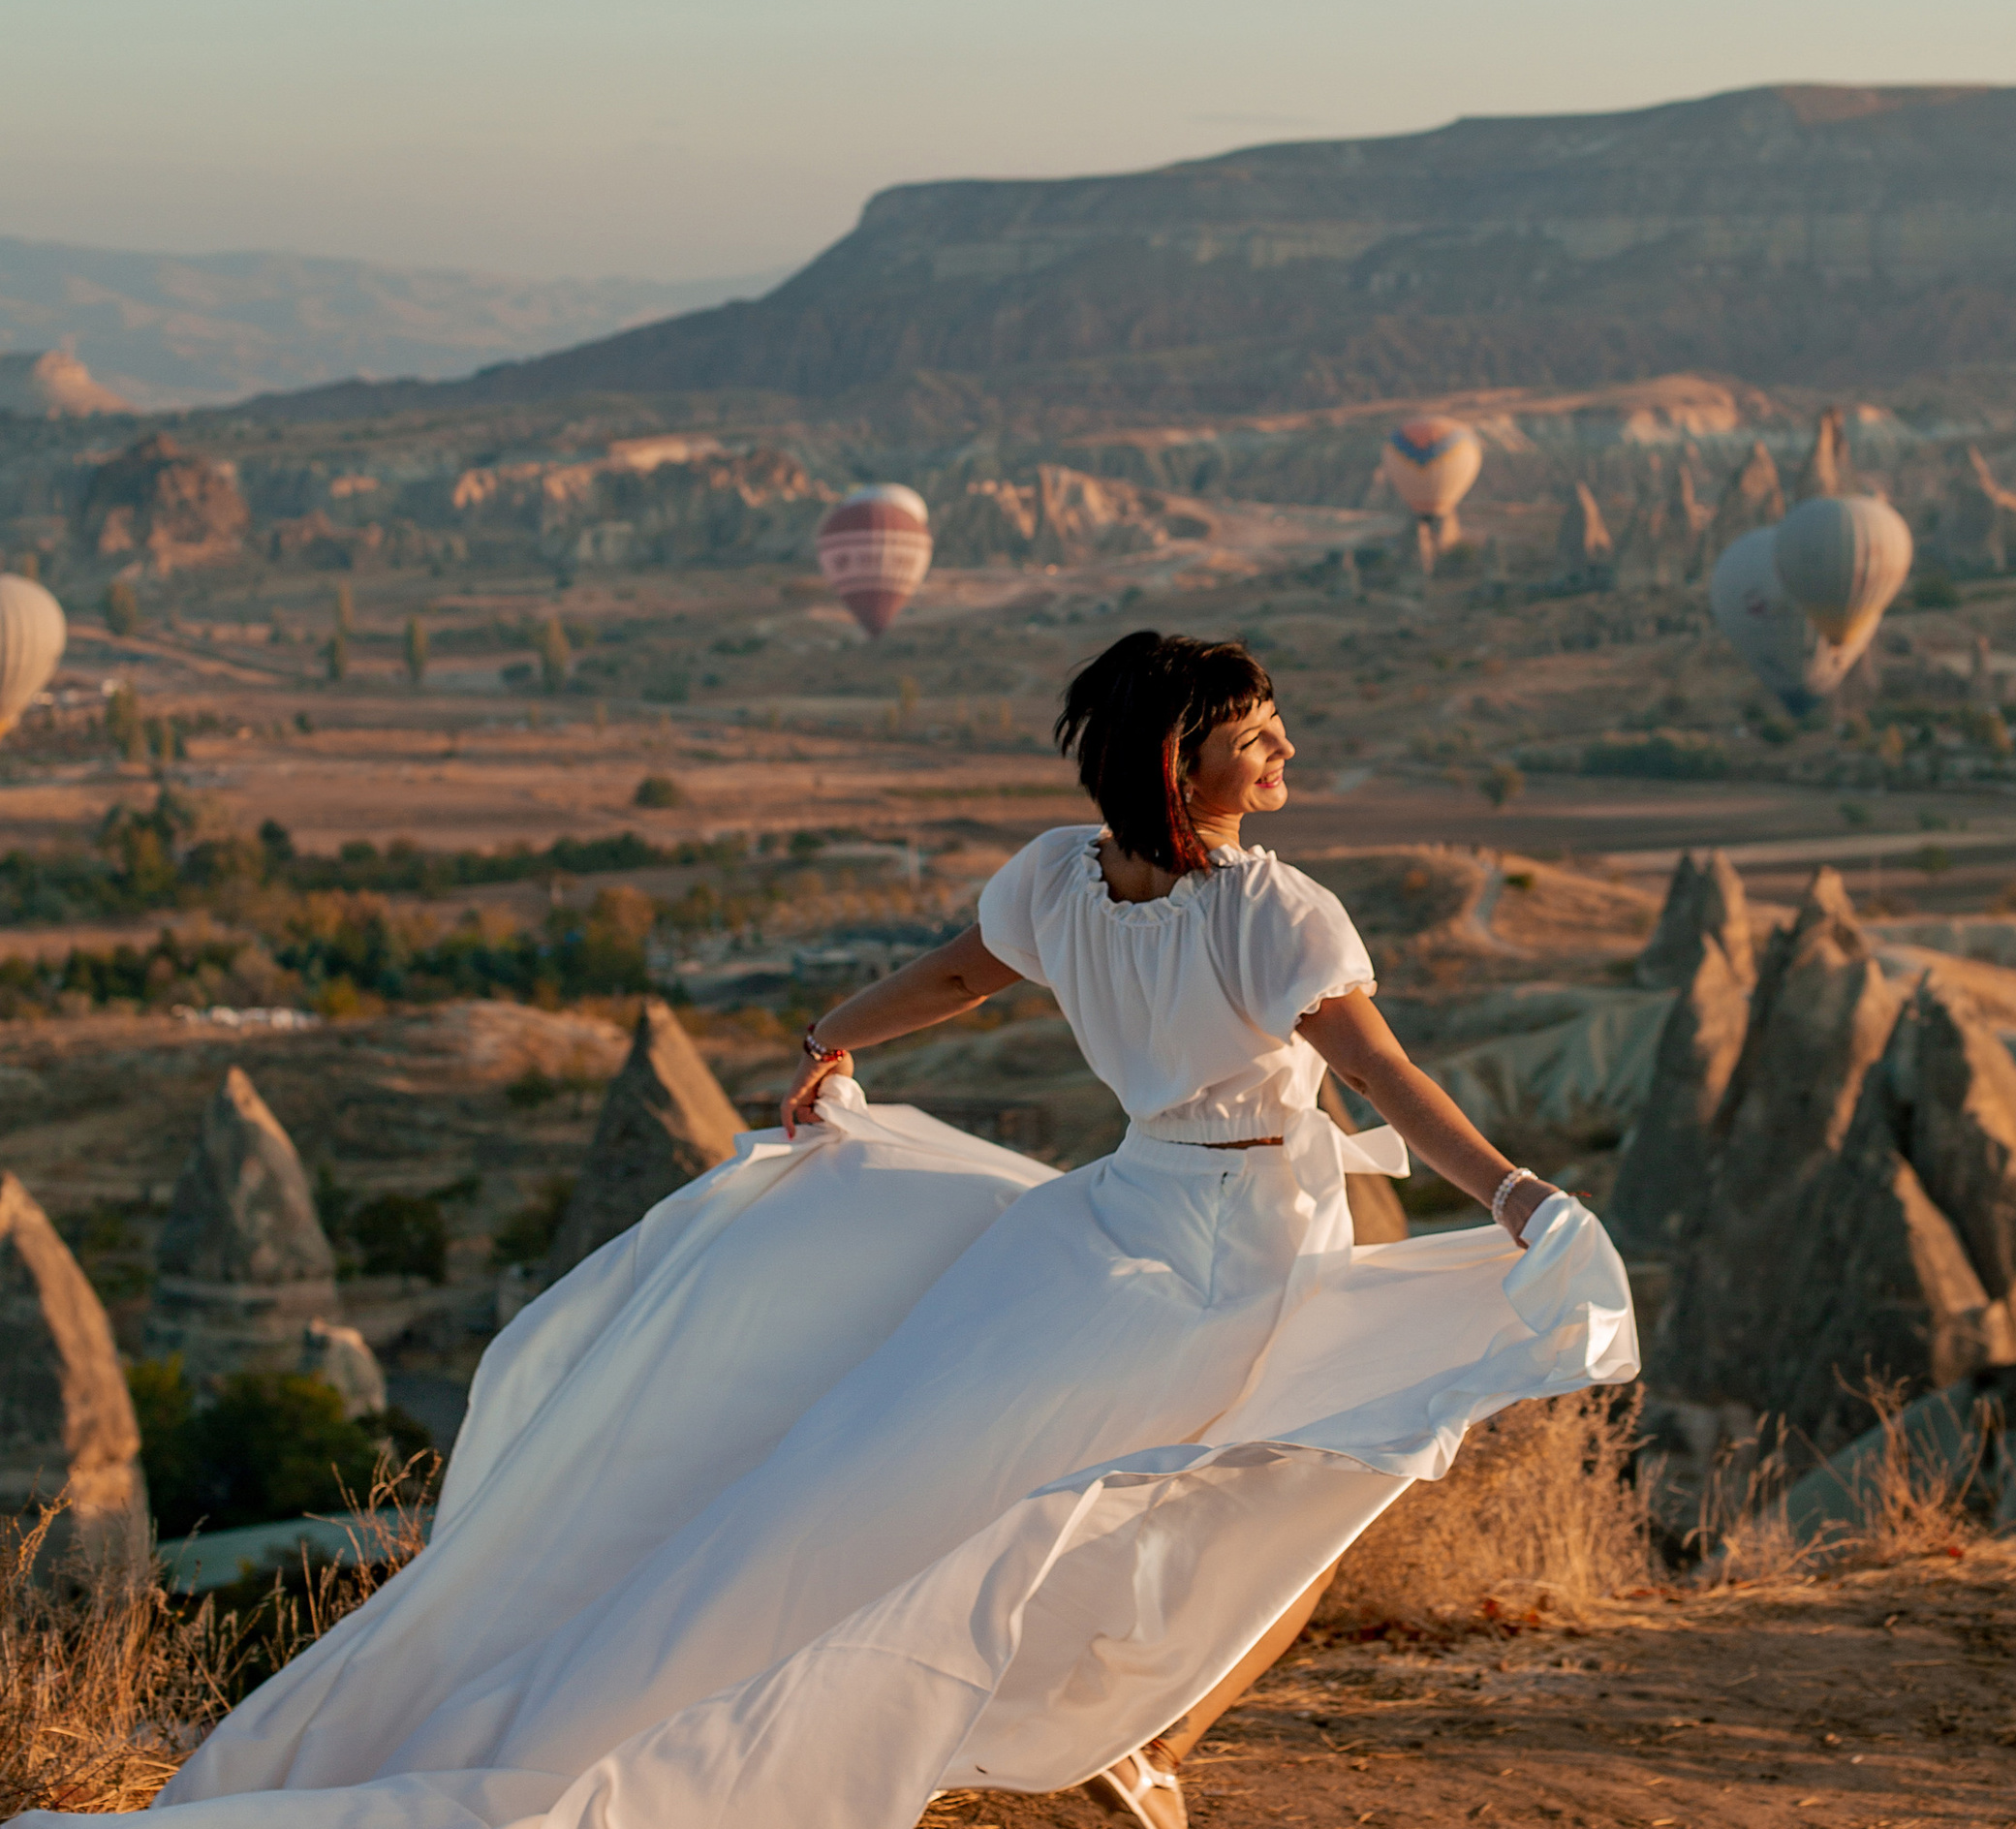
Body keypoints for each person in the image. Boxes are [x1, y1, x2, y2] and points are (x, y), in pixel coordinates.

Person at [110, 633, 1635, 1829]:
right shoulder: (1278, 913)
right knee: (1318, 1480)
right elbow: (1387, 1079)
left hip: (1123, 1203)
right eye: (1259, 733)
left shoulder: (1060, 876)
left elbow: (957, 979)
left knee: (964, 1481)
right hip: (1250, 1234)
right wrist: (1515, 1196)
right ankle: (1145, 1739)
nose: (1288, 748)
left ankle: (1105, 1728)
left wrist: (832, 1039)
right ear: (1187, 762)